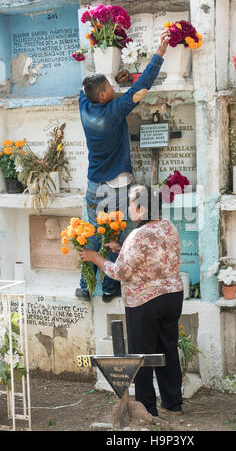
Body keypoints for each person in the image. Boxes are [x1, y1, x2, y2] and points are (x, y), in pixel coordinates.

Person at [76, 30, 170, 302]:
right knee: (114, 235)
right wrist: (159, 53)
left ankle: (84, 286)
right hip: (115, 187)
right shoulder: (114, 111)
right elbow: (141, 89)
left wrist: (109, 83)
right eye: (109, 87)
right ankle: (108, 288)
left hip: (95, 185)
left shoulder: (85, 105)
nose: (112, 88)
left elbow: (84, 90)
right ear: (104, 95)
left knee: (92, 236)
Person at [79, 185, 184, 417]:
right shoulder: (168, 227)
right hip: (172, 297)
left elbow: (121, 273)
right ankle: (173, 403)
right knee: (167, 349)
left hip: (145, 302)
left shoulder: (137, 236)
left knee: (141, 355)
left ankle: (146, 408)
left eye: (131, 203)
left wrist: (96, 258)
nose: (128, 208)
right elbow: (152, 256)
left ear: (143, 208)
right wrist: (120, 249)